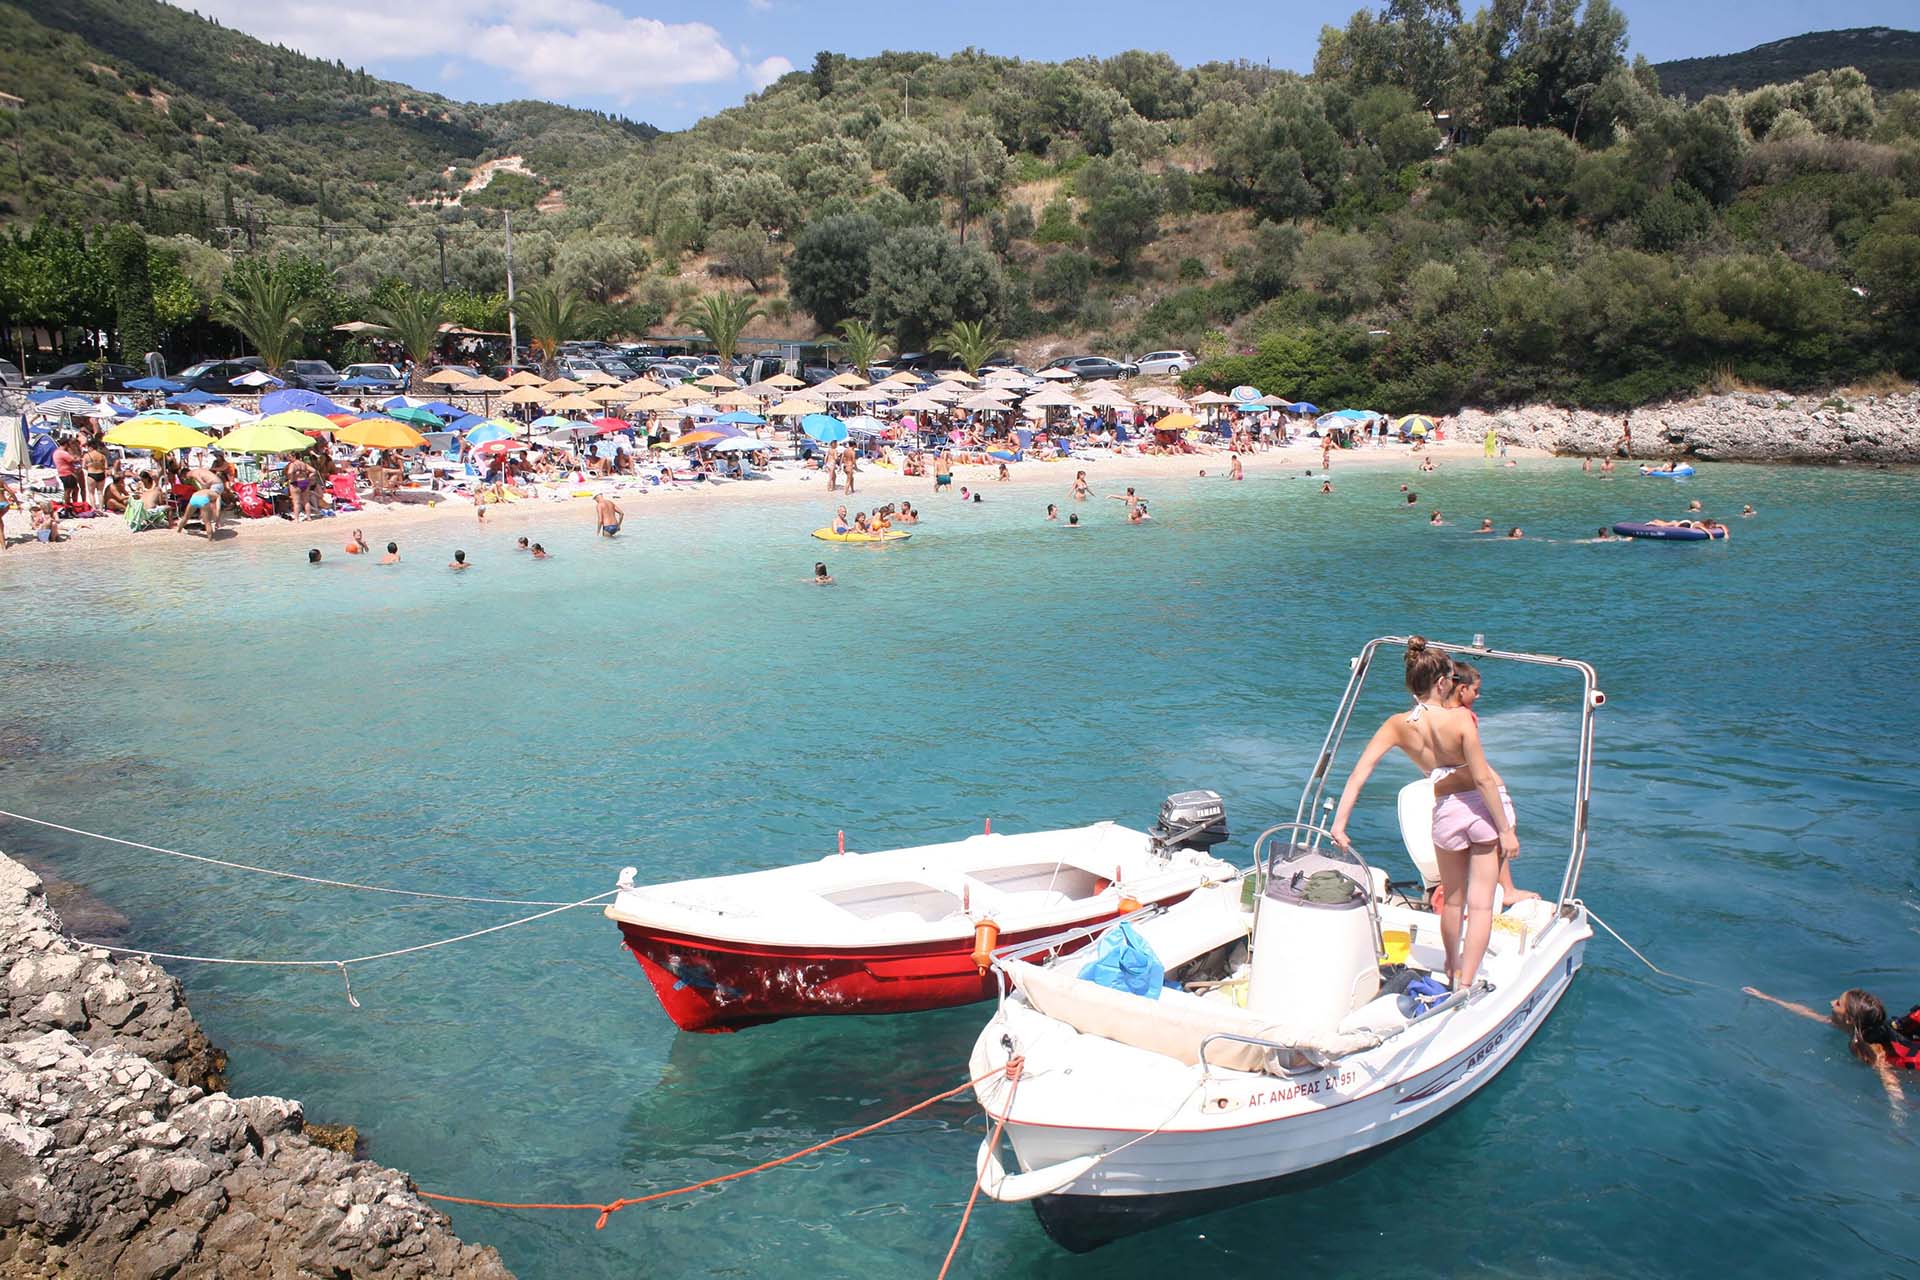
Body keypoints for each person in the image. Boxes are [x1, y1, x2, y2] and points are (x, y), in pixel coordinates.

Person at [1327, 638, 1518, 991]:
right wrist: (1506, 831)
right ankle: (1466, 984)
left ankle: (1451, 967)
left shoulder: (1396, 724)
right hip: (1481, 809)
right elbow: (1482, 779)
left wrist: (1340, 824)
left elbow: (1359, 773)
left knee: (1452, 901)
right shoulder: (1461, 719)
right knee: (1479, 907)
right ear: (1443, 683)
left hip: (1447, 812)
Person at [1743, 987, 1916, 1108]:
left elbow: (1888, 1075)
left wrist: (1898, 1110)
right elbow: (1808, 1013)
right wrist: (1767, 998)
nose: (1832, 1003)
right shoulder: (1849, 1025)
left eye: (1838, 1004)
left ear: (1849, 1019)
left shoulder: (1870, 1048)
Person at [286, 456, 316, 520]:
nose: (289, 458)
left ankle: (296, 519)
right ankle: (309, 517)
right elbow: (314, 471)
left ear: (294, 457)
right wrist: (309, 477)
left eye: (290, 457)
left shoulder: (293, 464)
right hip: (304, 482)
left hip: (296, 482)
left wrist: (291, 479)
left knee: (296, 502)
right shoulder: (304, 464)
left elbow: (290, 472)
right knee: (306, 501)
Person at [0, 475, 17, 549]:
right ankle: (2, 542)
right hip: (5, 504)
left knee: (0, 525)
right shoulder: (1, 481)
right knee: (0, 522)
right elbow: (11, 492)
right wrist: (17, 502)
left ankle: (3, 546)